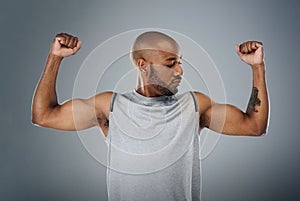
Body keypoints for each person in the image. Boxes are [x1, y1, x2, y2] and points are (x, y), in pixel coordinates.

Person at [32, 31, 269, 201]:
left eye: (180, 62)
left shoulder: (195, 105)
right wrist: (55, 57)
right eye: (170, 63)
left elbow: (254, 125)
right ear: (143, 65)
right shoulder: (110, 106)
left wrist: (257, 67)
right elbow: (44, 115)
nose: (180, 70)